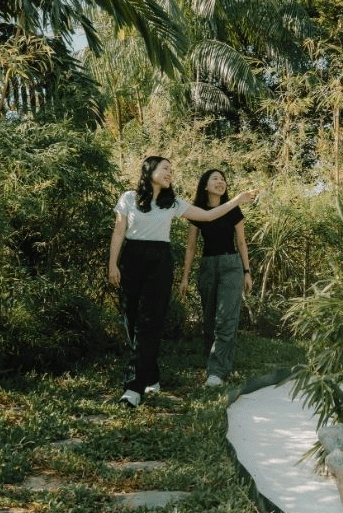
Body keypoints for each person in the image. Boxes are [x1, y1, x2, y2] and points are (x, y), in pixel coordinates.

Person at [108, 156, 256, 408]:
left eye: (171, 170)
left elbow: (209, 216)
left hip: (160, 261)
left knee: (150, 322)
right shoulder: (128, 198)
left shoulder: (173, 203)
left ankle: (133, 386)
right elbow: (119, 231)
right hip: (131, 259)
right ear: (149, 170)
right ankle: (150, 375)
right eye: (165, 168)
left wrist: (238, 200)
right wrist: (112, 264)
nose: (170, 173)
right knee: (131, 321)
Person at [179, 169, 252, 388]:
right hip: (208, 266)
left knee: (226, 319)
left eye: (223, 179)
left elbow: (241, 243)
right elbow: (191, 247)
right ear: (205, 186)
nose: (220, 182)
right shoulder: (197, 212)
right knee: (210, 319)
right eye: (215, 179)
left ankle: (217, 371)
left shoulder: (233, 210)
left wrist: (247, 272)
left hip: (231, 265)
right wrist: (185, 278)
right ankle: (215, 363)